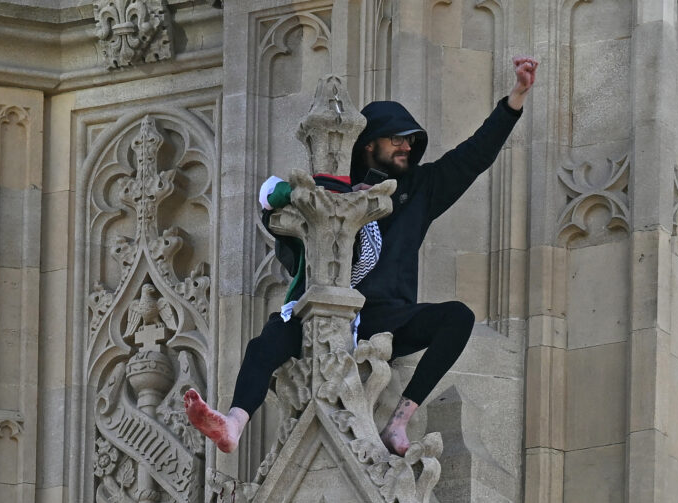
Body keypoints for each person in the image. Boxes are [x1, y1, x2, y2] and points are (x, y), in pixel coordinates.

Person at [185, 55, 539, 456]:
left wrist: (515, 98)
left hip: (383, 316)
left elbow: (473, 156)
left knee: (457, 318)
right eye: (398, 139)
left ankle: (400, 422)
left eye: (411, 140)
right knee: (267, 341)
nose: (408, 146)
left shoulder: (418, 189)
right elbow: (277, 209)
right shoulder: (331, 189)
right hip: (324, 309)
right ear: (370, 144)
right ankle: (233, 423)